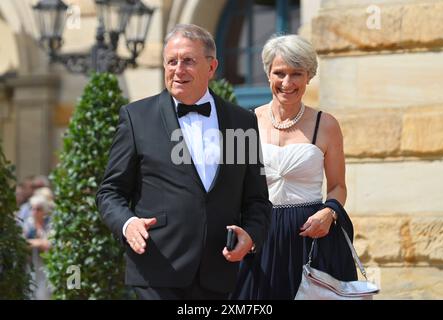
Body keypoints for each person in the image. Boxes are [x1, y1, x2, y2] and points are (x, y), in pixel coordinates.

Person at [96, 24, 272, 300]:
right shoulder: (136, 117)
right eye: (171, 61)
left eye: (188, 61)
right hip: (157, 267)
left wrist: (250, 236)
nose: (178, 69)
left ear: (212, 67)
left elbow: (257, 200)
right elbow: (110, 192)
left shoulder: (242, 122)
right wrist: (128, 224)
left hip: (218, 271)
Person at [232, 34, 357, 300]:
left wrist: (330, 213)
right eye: (280, 73)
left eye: (296, 74)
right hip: (257, 239)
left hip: (312, 239)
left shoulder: (327, 125)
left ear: (309, 76)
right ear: (268, 74)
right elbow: (230, 189)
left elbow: (337, 186)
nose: (287, 83)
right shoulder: (244, 122)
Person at [24, 194, 53, 299]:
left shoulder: (50, 224)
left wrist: (34, 242)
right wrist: (38, 242)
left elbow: (49, 245)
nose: (35, 212)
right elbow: (21, 243)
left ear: (44, 211)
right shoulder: (28, 224)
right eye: (33, 208)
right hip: (31, 267)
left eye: (38, 209)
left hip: (48, 267)